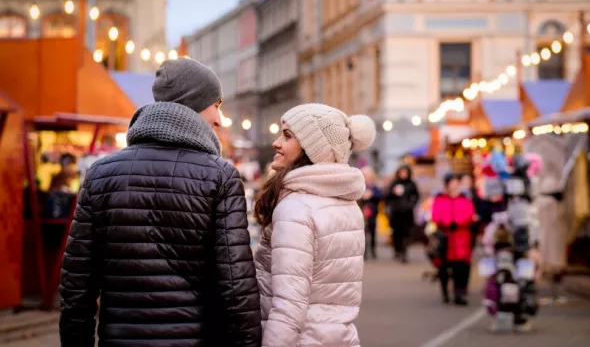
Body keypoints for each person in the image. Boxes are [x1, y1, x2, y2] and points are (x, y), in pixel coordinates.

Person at [59, 58, 262, 347]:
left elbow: (77, 284)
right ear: (193, 103)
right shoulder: (220, 176)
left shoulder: (100, 175)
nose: (219, 119)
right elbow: (235, 283)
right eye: (216, 105)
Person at [253, 104, 376, 347]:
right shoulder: (346, 204)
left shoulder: (295, 209)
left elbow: (288, 307)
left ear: (312, 149)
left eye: (287, 135)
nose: (276, 143)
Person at [432, 173, 475, 305]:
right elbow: (435, 215)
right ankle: (445, 292)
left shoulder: (465, 200)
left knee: (461, 268)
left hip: (461, 239)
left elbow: (469, 214)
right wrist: (446, 223)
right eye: (452, 182)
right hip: (445, 239)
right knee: (443, 268)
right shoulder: (440, 200)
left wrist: (458, 222)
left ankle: (460, 293)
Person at [386, 164, 419, 263]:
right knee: (397, 233)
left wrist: (411, 204)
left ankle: (404, 252)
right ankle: (397, 250)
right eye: (401, 172)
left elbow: (416, 196)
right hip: (396, 212)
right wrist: (393, 193)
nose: (403, 174)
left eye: (405, 172)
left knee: (406, 233)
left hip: (407, 213)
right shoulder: (394, 183)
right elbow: (387, 196)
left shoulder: (412, 184)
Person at [359, 166, 384, 260]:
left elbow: (381, 195)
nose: (367, 177)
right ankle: (364, 252)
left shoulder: (374, 186)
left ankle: (373, 250)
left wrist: (372, 195)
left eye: (369, 175)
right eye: (365, 175)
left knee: (373, 232)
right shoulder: (360, 185)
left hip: (373, 213)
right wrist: (362, 196)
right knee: (363, 233)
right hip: (362, 213)